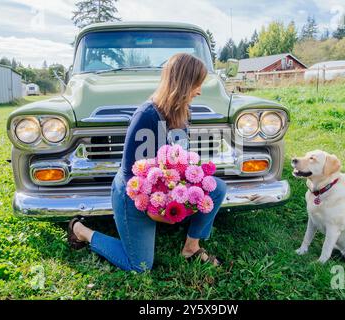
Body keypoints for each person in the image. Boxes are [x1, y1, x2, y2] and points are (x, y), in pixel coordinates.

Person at [67, 53, 227, 272]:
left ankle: (191, 247)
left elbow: (181, 158)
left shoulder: (184, 111)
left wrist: (186, 190)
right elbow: (133, 176)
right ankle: (81, 231)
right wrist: (155, 210)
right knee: (139, 266)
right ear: (183, 83)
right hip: (134, 194)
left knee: (217, 188)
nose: (199, 91)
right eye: (196, 84)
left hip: (163, 187)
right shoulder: (147, 115)